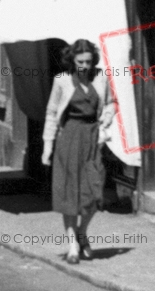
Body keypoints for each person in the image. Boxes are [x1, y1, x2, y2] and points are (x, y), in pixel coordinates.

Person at [41, 39, 116, 264]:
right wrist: (48, 146)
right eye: (80, 61)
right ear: (72, 61)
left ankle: (83, 231)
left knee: (94, 191)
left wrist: (106, 120)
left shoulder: (101, 77)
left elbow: (112, 103)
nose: (85, 65)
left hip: (93, 138)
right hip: (70, 139)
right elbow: (52, 114)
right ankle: (72, 243)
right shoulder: (62, 81)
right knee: (69, 193)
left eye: (88, 61)